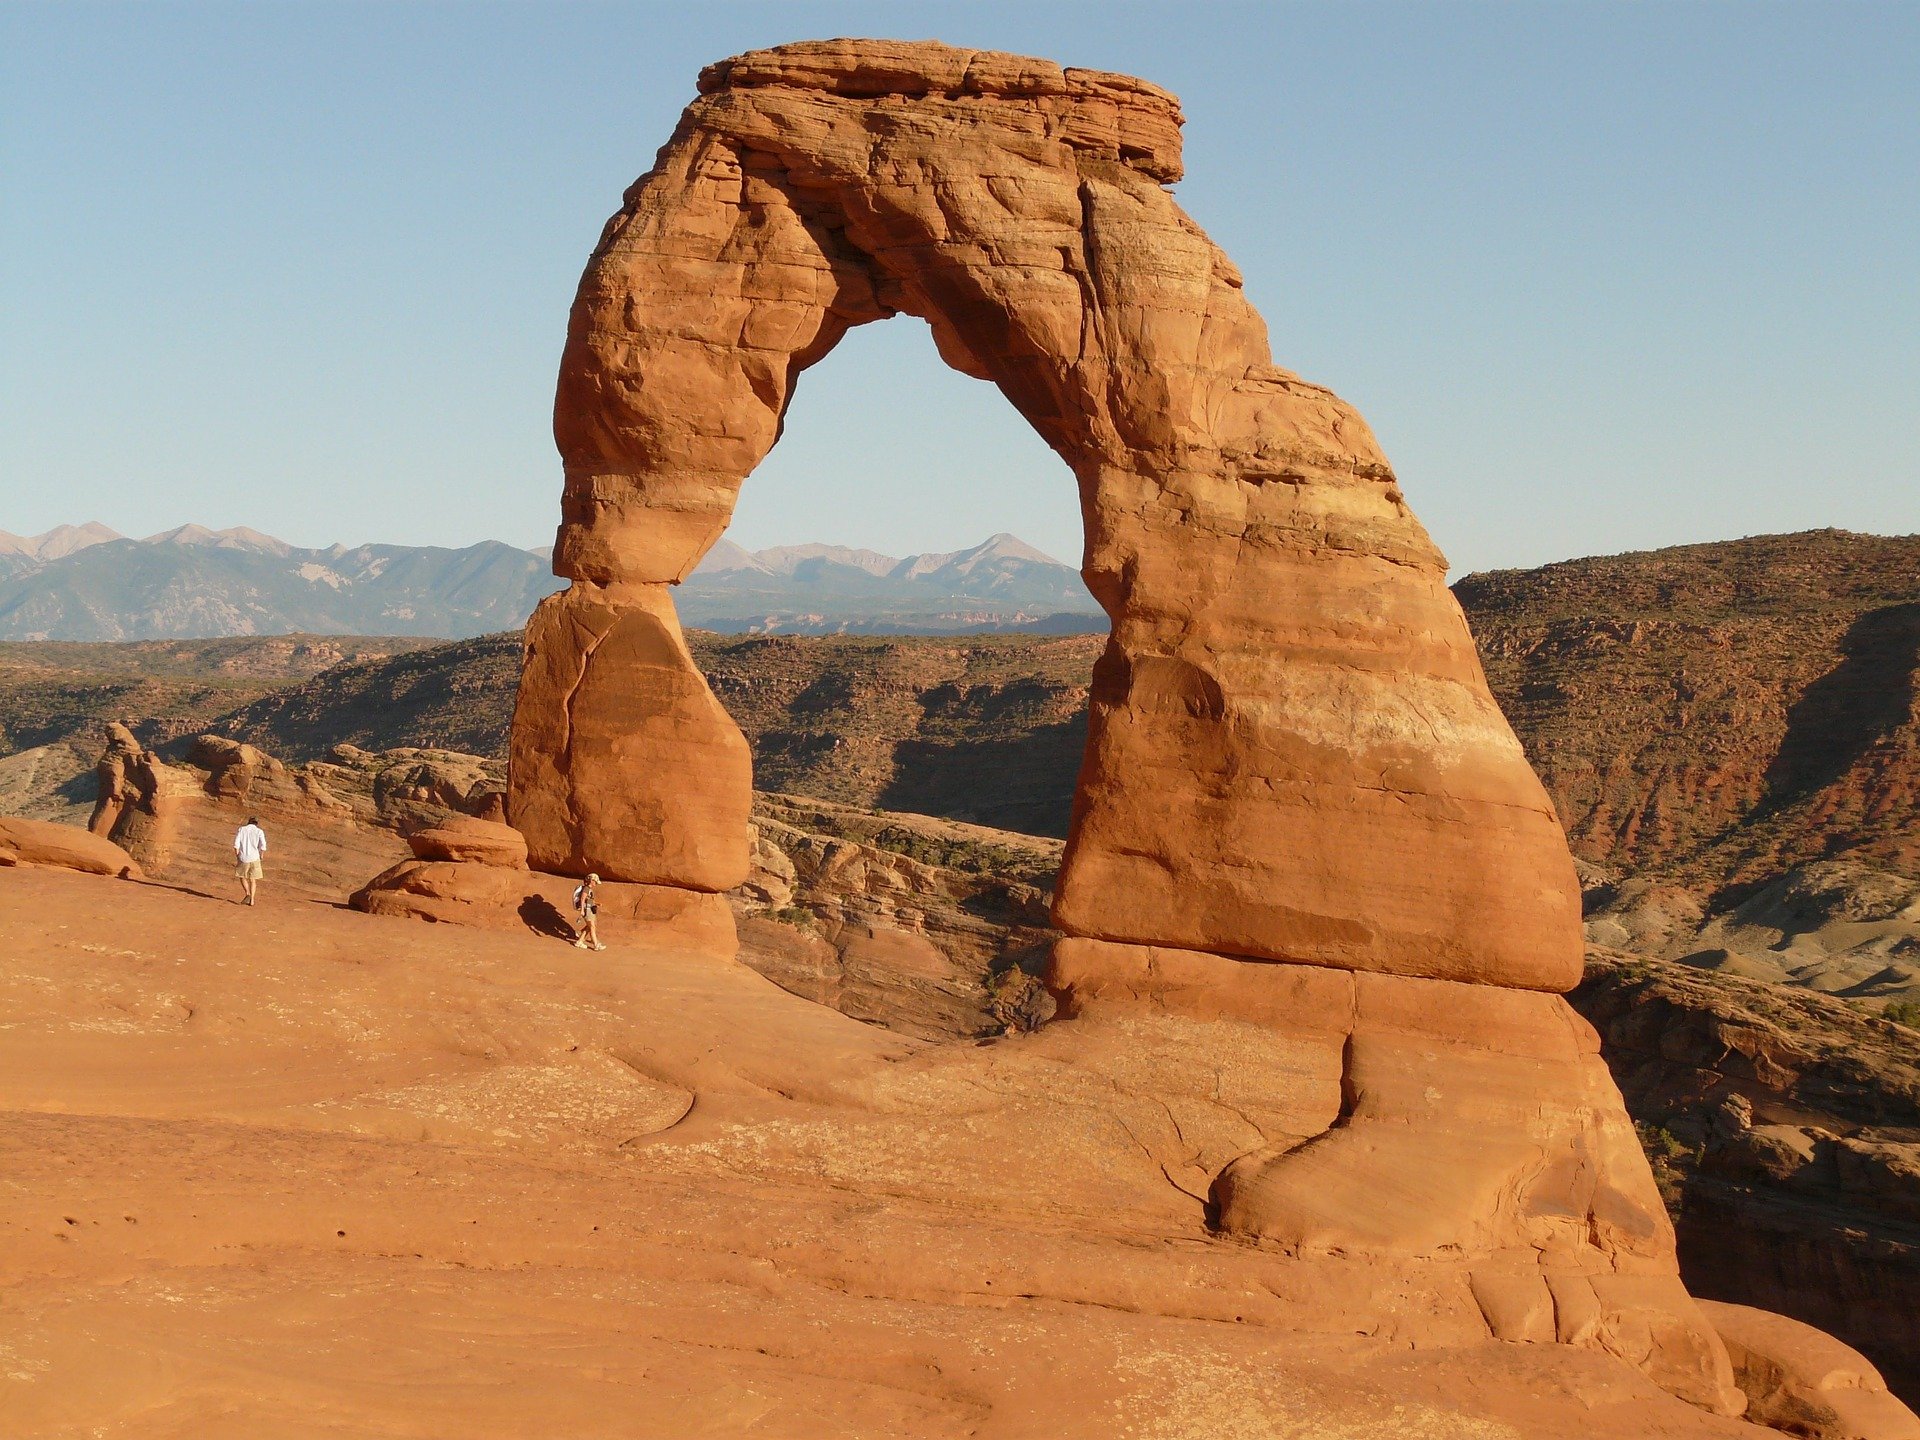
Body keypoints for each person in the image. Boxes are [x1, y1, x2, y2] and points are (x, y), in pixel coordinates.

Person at [233, 816, 267, 906]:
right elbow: (263, 845)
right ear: (256, 823)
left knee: (242, 876)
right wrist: (261, 855)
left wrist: (237, 855)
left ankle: (247, 893)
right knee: (253, 880)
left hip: (243, 857)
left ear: (249, 822)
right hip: (255, 857)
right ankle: (252, 900)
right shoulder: (259, 831)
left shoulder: (242, 829)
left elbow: (236, 844)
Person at [572, 872, 605, 950]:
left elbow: (588, 900)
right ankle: (596, 945)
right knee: (592, 927)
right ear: (591, 881)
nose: (596, 884)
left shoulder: (589, 889)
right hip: (587, 910)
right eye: (595, 882)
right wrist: (582, 911)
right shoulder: (586, 889)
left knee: (588, 927)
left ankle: (579, 942)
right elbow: (582, 899)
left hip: (590, 909)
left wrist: (597, 903)